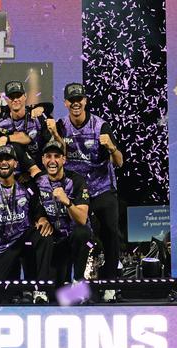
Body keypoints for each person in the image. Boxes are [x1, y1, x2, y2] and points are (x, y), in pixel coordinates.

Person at [47, 82, 124, 280]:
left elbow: (119, 163)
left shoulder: (100, 126)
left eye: (79, 99)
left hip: (102, 188)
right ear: (65, 102)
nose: (76, 104)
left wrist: (112, 148)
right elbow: (59, 155)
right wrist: (55, 135)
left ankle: (111, 282)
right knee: (75, 233)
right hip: (77, 188)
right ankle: (73, 280)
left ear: (85, 101)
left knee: (110, 233)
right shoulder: (61, 126)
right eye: (71, 100)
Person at [0, 145, 54, 303]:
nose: (4, 163)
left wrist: (42, 219)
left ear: (15, 163)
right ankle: (16, 292)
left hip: (22, 241)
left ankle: (40, 289)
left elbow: (37, 210)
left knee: (44, 234)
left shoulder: (27, 186)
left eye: (8, 159)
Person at [34, 139, 93, 283]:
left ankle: (79, 280)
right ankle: (40, 288)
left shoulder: (77, 181)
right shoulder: (38, 181)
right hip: (55, 240)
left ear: (64, 160)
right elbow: (34, 207)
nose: (52, 161)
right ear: (43, 160)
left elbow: (82, 219)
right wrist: (41, 218)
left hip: (75, 239)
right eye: (48, 156)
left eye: (56, 156)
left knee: (82, 232)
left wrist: (67, 201)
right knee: (58, 292)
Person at [0, 80, 51, 163]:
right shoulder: (1, 121)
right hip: (13, 170)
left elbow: (50, 106)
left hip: (39, 167)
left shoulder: (37, 116)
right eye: (11, 97)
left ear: (25, 96)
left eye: (18, 96)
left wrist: (42, 107)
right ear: (6, 99)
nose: (15, 100)